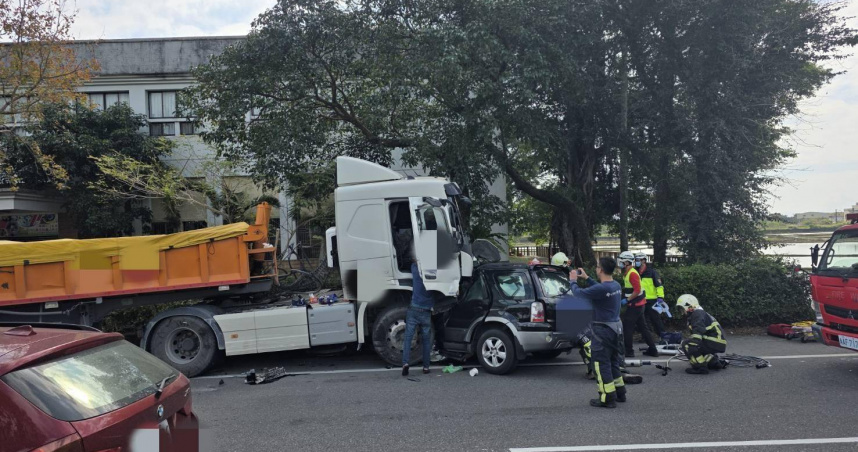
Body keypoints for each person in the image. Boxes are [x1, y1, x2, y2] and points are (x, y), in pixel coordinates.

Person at [571, 257, 626, 408]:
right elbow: (600, 290)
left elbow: (578, 294)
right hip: (616, 329)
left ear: (600, 270)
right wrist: (587, 278)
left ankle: (607, 397)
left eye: (596, 266)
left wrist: (573, 280)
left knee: (600, 364)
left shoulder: (603, 288)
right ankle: (620, 392)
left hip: (603, 330)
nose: (596, 268)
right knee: (613, 361)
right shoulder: (615, 285)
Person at [618, 251, 659, 358]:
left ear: (627, 262)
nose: (620, 263)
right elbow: (630, 289)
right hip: (638, 304)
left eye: (621, 261)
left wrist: (627, 300)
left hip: (635, 305)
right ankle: (653, 349)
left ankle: (629, 351)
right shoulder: (628, 273)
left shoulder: (632, 273)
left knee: (628, 327)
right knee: (643, 328)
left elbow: (637, 290)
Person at [676, 294, 728, 375]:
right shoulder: (700, 312)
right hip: (718, 342)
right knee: (698, 346)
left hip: (713, 341)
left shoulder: (697, 313)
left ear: (689, 305)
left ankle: (700, 367)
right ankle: (714, 362)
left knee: (687, 344)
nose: (682, 311)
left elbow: (698, 329)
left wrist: (692, 343)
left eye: (682, 308)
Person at [402, 262, 437, 376]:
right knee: (426, 341)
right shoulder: (433, 277)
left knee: (408, 338)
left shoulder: (416, 271)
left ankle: (405, 363)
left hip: (414, 309)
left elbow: (413, 264)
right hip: (426, 312)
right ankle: (426, 367)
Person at [634, 252, 667, 339]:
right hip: (640, 300)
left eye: (638, 260)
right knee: (643, 321)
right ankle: (648, 337)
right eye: (636, 260)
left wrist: (660, 297)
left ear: (644, 261)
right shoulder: (635, 272)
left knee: (656, 320)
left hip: (651, 301)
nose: (636, 262)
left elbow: (659, 286)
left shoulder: (652, 272)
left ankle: (663, 337)